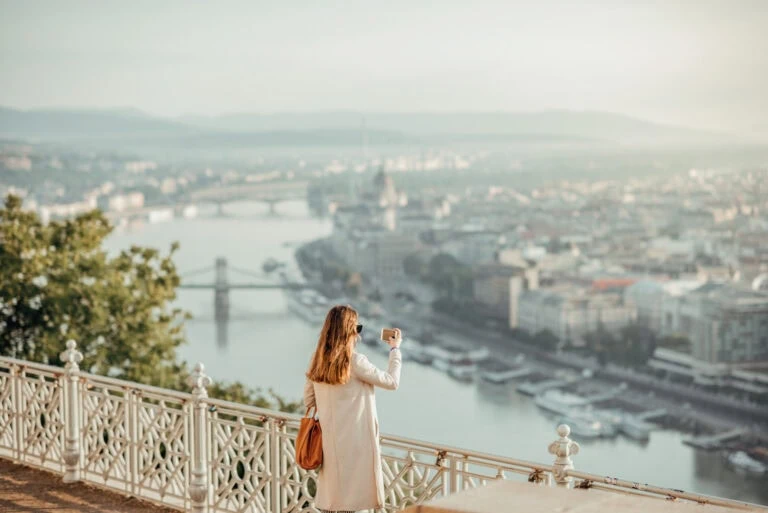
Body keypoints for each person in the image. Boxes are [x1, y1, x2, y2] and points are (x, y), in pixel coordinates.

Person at [303, 304, 402, 513]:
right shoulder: (356, 361)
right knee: (356, 502)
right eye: (357, 328)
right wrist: (395, 350)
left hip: (329, 442)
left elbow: (308, 400)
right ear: (350, 331)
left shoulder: (317, 359)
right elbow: (392, 382)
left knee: (335, 500)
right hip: (357, 442)